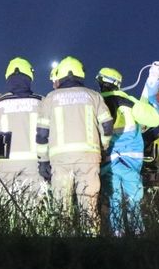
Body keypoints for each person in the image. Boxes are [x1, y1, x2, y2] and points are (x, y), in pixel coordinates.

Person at [35, 56, 113, 232]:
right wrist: (103, 147)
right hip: (88, 159)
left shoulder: (50, 98)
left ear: (60, 75)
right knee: (89, 206)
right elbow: (107, 126)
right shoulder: (94, 96)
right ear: (80, 74)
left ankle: (63, 248)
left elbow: (41, 134)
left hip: (60, 161)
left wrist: (43, 160)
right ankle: (90, 249)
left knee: (62, 207)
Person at [97, 66, 159, 235]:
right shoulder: (129, 101)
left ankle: (118, 240)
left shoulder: (95, 102)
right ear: (118, 84)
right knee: (134, 204)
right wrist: (151, 98)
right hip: (131, 162)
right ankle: (138, 240)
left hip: (109, 163)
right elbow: (154, 119)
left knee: (114, 203)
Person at [0, 57, 45, 198]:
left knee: (8, 208)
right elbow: (47, 135)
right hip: (35, 165)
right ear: (29, 77)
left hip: (6, 166)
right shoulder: (40, 102)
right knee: (35, 207)